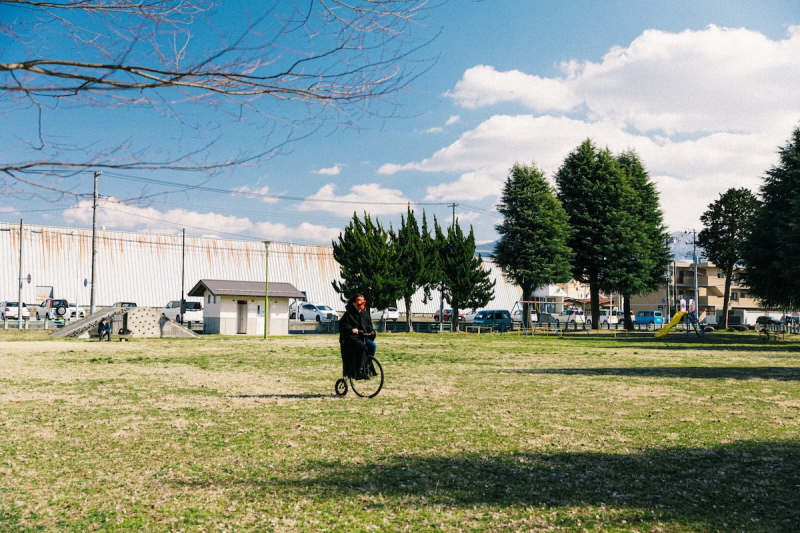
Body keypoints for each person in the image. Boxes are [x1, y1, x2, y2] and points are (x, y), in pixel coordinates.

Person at [338, 294, 377, 380]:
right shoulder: (348, 314)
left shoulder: (364, 313)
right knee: (362, 347)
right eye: (359, 301)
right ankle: (359, 371)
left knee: (373, 346)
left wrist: (372, 331)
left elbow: (368, 325)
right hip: (351, 339)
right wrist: (351, 330)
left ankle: (367, 366)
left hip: (362, 337)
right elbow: (342, 325)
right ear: (354, 303)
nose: (361, 303)